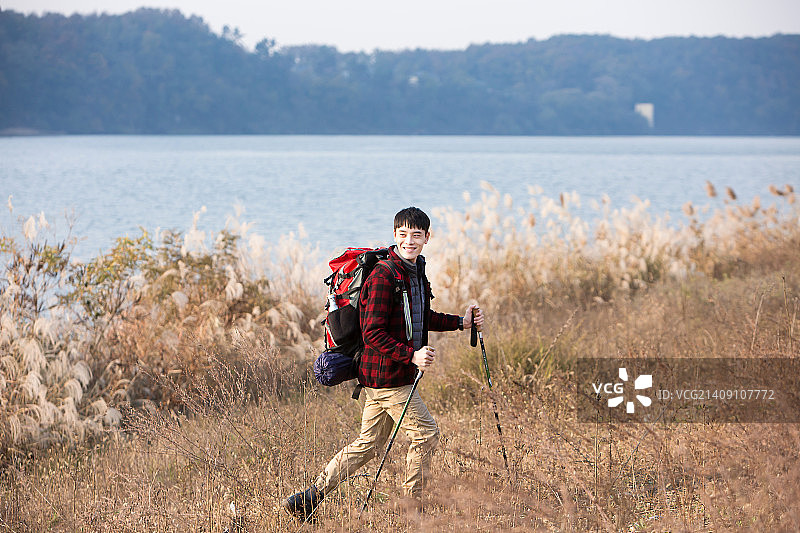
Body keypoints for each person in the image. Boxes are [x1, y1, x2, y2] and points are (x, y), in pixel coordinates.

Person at [284, 206, 484, 521]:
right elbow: (372, 332)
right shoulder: (383, 276)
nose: (409, 241)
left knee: (369, 444)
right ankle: (411, 510)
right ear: (395, 235)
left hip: (389, 374)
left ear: (426, 238)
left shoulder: (417, 271)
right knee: (425, 434)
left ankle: (308, 497)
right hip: (386, 376)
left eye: (416, 235)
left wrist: (462, 323)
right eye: (403, 235)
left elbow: (421, 318)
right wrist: (412, 355)